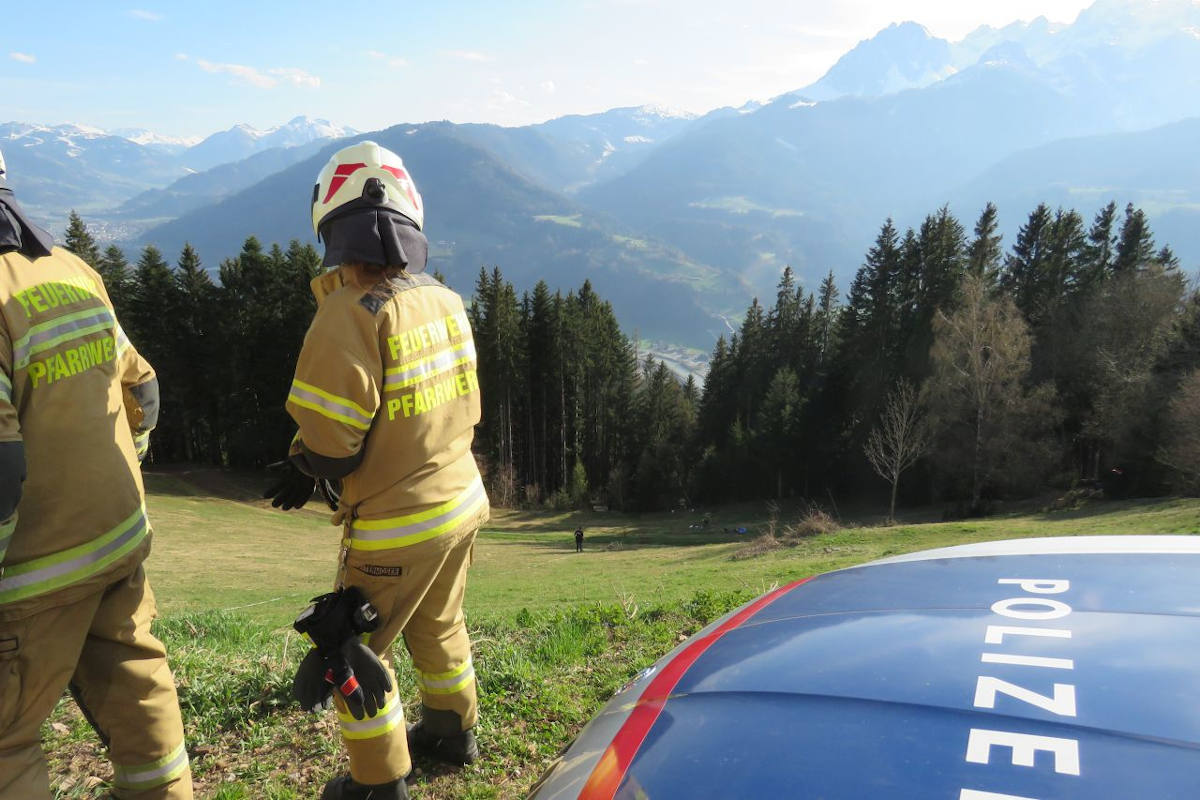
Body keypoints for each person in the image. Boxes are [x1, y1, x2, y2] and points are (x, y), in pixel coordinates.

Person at [265, 141, 488, 800]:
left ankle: (377, 782)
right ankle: (452, 732)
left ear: (329, 225)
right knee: (440, 625)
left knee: (352, 653)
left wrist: (304, 463)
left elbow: (336, 446)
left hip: (397, 523)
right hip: (461, 500)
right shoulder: (441, 298)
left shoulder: (345, 315)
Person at [0, 149, 192, 799]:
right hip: (118, 542)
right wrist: (126, 465)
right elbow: (145, 387)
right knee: (139, 685)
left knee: (6, 737)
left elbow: (1, 470)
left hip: (30, 574)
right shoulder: (68, 266)